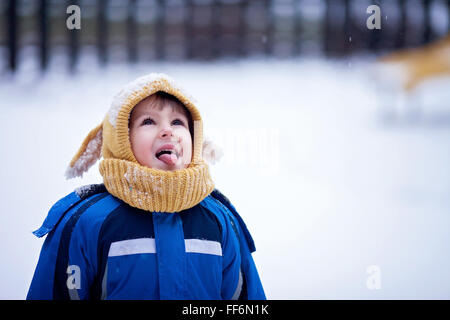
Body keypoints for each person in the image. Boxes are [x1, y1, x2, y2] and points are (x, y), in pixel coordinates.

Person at [26, 73, 266, 300]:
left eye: (177, 122)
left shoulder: (219, 221)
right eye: (149, 121)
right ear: (121, 140)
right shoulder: (87, 222)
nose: (167, 131)